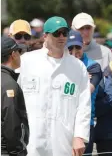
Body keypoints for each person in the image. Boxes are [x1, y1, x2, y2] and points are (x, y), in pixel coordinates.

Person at [17, 16, 91, 156]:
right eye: (57, 33)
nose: (61, 36)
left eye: (64, 32)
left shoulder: (78, 67)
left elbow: (84, 106)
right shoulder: (27, 61)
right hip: (31, 140)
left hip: (63, 140)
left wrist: (79, 136)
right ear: (45, 36)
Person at [66, 30, 102, 155]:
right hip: (65, 123)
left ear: (83, 46)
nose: (74, 52)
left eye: (78, 47)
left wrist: (74, 78)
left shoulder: (94, 67)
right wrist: (83, 78)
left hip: (85, 124)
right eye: (70, 48)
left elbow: (86, 92)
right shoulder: (62, 66)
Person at [1, 37, 29, 156]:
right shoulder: (9, 84)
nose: (20, 55)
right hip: (6, 150)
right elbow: (10, 120)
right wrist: (17, 151)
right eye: (19, 52)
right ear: (13, 54)